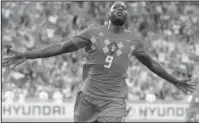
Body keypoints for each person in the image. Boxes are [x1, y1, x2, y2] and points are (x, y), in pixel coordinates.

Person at [2, 2, 197, 122]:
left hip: (114, 100)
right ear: (108, 15)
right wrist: (27, 54)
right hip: (87, 97)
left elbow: (152, 64)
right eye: (116, 7)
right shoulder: (93, 33)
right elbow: (61, 47)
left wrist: (175, 81)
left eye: (124, 8)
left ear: (127, 17)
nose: (120, 9)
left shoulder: (134, 41)